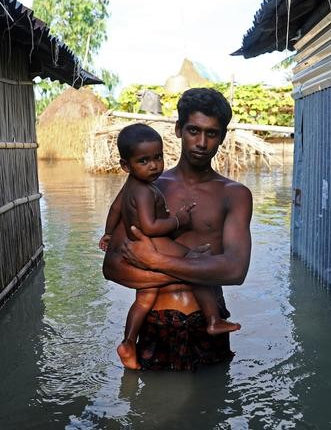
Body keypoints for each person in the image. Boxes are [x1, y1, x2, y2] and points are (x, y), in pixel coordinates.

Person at [103, 88, 253, 371]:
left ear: (222, 137)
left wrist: (156, 261)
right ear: (178, 130)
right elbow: (112, 267)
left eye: (212, 134)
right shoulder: (146, 189)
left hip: (208, 322)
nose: (201, 142)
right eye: (193, 130)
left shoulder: (235, 195)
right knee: (148, 410)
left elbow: (235, 270)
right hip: (155, 321)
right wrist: (196, 270)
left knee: (211, 409)